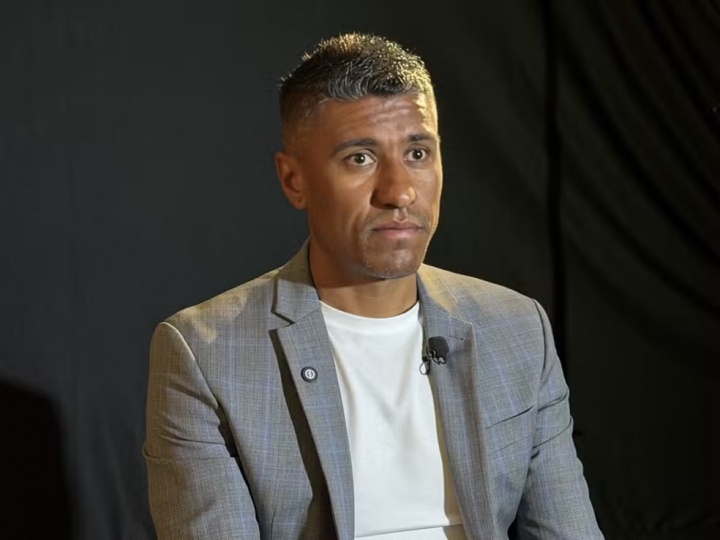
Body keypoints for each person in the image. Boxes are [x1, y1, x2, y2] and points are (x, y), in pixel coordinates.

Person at [144, 32, 603, 539]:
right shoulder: (206, 353)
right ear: (294, 180)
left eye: (418, 153)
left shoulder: (517, 328)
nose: (399, 191)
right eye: (359, 158)